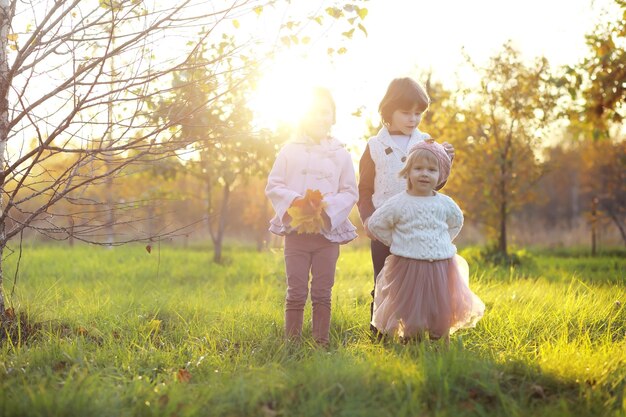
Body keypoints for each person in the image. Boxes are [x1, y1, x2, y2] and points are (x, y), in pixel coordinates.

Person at [357, 77, 455, 334]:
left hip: (418, 224)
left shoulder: (426, 143)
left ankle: (416, 333)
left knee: (418, 281)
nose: (413, 119)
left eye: (418, 113)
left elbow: (432, 185)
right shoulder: (375, 146)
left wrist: (446, 166)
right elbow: (364, 189)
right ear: (389, 110)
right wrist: (367, 218)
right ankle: (379, 333)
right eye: (406, 113)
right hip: (384, 226)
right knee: (383, 280)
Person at [265, 87, 358, 347]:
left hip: (327, 235)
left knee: (322, 292)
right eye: (313, 112)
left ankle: (321, 343)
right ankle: (292, 344)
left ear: (332, 117)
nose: (319, 118)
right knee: (295, 291)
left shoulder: (341, 153)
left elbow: (350, 190)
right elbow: (274, 185)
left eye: (324, 112)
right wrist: (296, 201)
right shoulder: (289, 151)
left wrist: (327, 208)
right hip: (296, 233)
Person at [367, 140, 484, 342]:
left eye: (431, 170)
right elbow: (376, 224)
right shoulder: (399, 202)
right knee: (411, 310)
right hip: (408, 266)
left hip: (441, 266)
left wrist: (442, 241)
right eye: (418, 168)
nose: (424, 174)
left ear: (441, 175)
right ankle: (413, 343)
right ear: (408, 172)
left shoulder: (444, 203)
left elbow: (457, 221)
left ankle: (441, 345)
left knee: (441, 309)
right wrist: (396, 241)